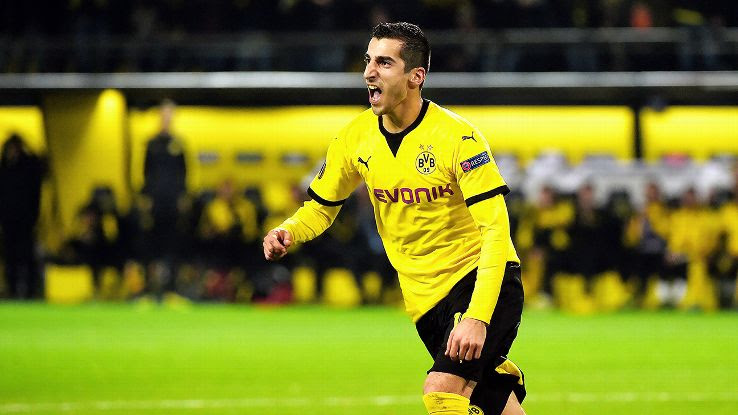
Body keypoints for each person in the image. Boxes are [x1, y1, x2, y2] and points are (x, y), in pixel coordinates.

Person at [263, 22, 526, 415]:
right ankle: (497, 375)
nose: (369, 72)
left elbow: (495, 230)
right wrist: (289, 230)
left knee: (441, 393)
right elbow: (321, 207)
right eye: (368, 60)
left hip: (480, 281)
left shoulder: (459, 139)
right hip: (423, 301)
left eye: (384, 63)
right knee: (490, 403)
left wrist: (477, 316)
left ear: (416, 76)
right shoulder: (353, 138)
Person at [0, 134, 44, 299]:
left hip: (26, 221)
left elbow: (35, 194)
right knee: (10, 257)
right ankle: (11, 289)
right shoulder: (4, 168)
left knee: (27, 256)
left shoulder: (28, 168)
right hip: (7, 221)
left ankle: (31, 290)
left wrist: (33, 217)